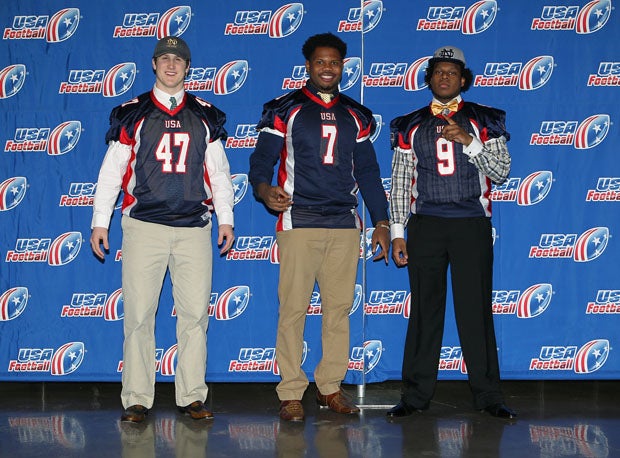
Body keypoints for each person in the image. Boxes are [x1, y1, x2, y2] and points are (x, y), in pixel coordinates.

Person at [90, 36, 235, 423]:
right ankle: (137, 397)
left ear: (188, 67)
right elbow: (111, 173)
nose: (171, 65)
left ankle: (191, 396)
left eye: (179, 60)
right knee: (138, 315)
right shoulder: (132, 112)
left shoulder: (206, 114)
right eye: (165, 58)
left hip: (193, 228)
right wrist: (99, 222)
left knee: (194, 316)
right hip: (144, 226)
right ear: (154, 65)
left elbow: (219, 173)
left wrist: (226, 218)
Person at [249, 32, 390, 422]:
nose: (328, 68)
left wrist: (382, 221)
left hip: (345, 223)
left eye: (334, 62)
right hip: (300, 220)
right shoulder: (285, 108)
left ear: (343, 66)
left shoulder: (357, 115)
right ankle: (291, 391)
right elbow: (261, 161)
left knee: (338, 310)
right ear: (308, 66)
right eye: (320, 62)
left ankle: (330, 387)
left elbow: (369, 172)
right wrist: (264, 189)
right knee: (293, 309)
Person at [387, 45, 516, 419]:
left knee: (475, 310)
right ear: (428, 78)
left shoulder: (485, 119)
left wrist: (470, 142)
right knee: (425, 311)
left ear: (463, 79)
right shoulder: (409, 124)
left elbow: (502, 171)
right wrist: (398, 231)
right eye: (438, 72)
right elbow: (399, 183)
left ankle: (489, 395)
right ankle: (414, 395)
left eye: (452, 72)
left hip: (470, 224)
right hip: (426, 225)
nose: (445, 77)